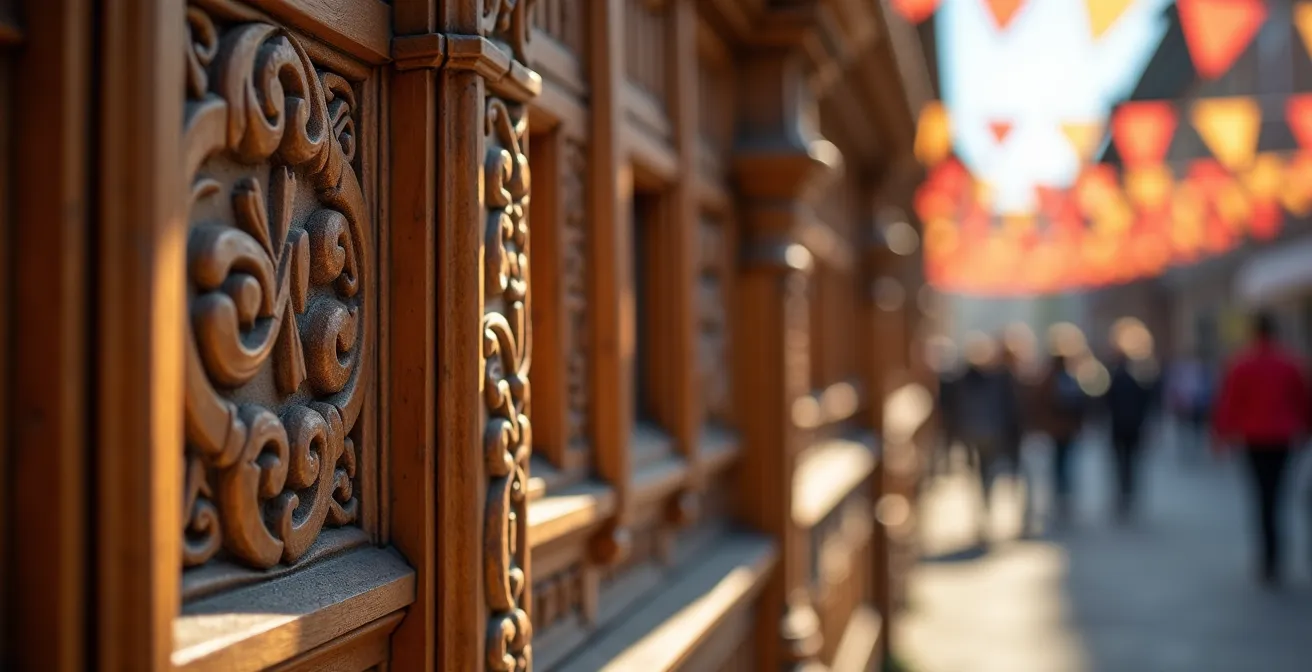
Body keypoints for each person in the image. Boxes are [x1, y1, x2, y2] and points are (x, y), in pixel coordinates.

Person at [1213, 312, 1309, 587]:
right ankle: (1277, 551)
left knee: (1262, 496)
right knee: (1278, 492)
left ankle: (1269, 556)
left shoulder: (1243, 363)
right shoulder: (1290, 362)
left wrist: (1221, 436)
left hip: (1254, 438)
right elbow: (1303, 399)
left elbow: (1229, 402)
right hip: (1283, 437)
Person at [952, 333, 1021, 543]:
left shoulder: (966, 380)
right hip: (991, 434)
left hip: (976, 435)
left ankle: (985, 514)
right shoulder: (996, 379)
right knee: (989, 475)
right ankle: (987, 513)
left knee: (983, 476)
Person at [1103, 320, 1160, 523]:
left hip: (1126, 423)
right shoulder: (1136, 369)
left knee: (1125, 461)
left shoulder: (1134, 370)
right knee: (1127, 461)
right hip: (1128, 423)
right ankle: (1126, 494)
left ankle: (1126, 494)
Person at [1035, 353, 1086, 522]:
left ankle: (1062, 495)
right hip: (1060, 429)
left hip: (1062, 429)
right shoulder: (1060, 380)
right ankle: (1062, 495)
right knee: (1061, 463)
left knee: (1061, 463)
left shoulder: (1060, 380)